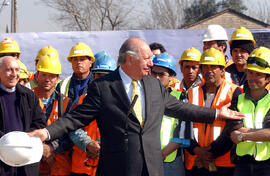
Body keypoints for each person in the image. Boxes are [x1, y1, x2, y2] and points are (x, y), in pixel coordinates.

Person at [29, 37, 245, 176]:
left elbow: (179, 108)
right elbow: (75, 118)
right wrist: (46, 132)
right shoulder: (103, 87)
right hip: (118, 168)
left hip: (153, 168)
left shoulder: (153, 85)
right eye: (147, 58)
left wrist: (217, 112)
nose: (152, 63)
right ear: (130, 59)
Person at [184, 48, 242, 176]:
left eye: (213, 67)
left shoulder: (234, 92)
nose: (209, 71)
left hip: (223, 162)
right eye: (205, 67)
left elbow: (233, 127)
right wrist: (197, 150)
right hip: (195, 161)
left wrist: (211, 152)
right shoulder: (190, 93)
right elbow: (183, 127)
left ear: (222, 70)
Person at [223, 47, 270, 176]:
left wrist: (243, 135)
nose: (252, 77)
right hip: (242, 164)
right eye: (250, 73)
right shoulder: (237, 100)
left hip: (267, 165)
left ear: (268, 78)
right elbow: (233, 130)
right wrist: (262, 133)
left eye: (258, 74)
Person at [70, 51, 116, 176]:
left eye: (106, 76)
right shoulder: (81, 100)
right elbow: (72, 127)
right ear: (93, 77)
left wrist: (101, 144)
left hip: (109, 165)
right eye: (98, 75)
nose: (102, 80)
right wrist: (88, 144)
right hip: (81, 167)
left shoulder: (121, 103)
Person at [0, 56, 46, 176]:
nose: (14, 74)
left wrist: (22, 139)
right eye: (9, 70)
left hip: (25, 161)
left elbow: (39, 123)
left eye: (17, 70)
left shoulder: (29, 95)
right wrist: (7, 142)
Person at [33, 55, 71, 176]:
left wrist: (52, 148)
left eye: (52, 76)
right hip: (31, 161)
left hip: (57, 164)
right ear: (37, 76)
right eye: (43, 75)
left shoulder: (65, 102)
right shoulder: (25, 98)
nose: (47, 79)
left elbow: (70, 131)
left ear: (58, 78)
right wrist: (40, 148)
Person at [151, 52, 185, 176]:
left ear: (172, 76)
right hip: (147, 160)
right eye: (154, 73)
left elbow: (183, 132)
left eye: (161, 74)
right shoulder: (141, 97)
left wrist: (163, 154)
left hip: (171, 161)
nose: (156, 77)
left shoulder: (180, 97)